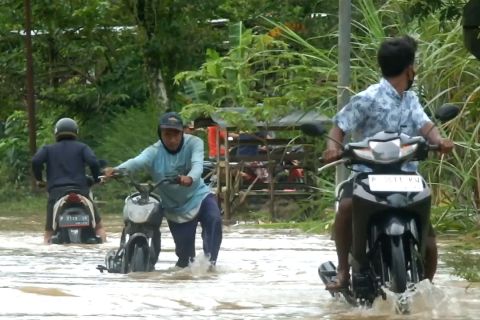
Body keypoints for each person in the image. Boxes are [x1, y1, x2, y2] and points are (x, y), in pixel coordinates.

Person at [323, 35, 454, 291]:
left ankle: (426, 287)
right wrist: (332, 148)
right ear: (409, 69)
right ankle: (342, 270)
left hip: (407, 177)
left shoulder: (411, 99)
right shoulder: (367, 98)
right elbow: (339, 127)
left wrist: (441, 141)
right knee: (347, 207)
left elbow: (426, 126)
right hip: (367, 175)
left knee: (430, 240)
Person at [104, 112, 222, 269]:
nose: (172, 140)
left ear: (183, 133)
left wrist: (190, 178)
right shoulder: (154, 151)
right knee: (185, 261)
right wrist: (116, 171)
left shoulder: (195, 143)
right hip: (175, 208)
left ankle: (210, 264)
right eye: (167, 135)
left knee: (214, 218)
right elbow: (137, 162)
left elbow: (197, 165)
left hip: (199, 196)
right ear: (160, 134)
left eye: (176, 134)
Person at [31, 118, 107, 244]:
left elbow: (36, 161)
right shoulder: (82, 147)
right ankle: (103, 251)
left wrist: (39, 180)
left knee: (49, 232)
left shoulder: (48, 149)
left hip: (56, 194)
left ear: (56, 133)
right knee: (98, 227)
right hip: (81, 192)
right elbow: (93, 162)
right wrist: (96, 178)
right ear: (75, 132)